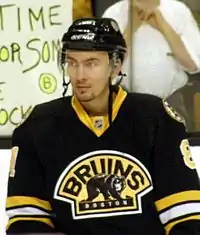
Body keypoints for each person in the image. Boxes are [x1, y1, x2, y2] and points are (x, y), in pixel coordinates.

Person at [6, 18, 200, 235]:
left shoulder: (155, 118)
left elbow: (185, 217)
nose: (80, 76)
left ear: (115, 65)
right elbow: (26, 222)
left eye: (91, 63)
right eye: (72, 62)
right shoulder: (37, 125)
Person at [102, 0, 200, 98]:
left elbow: (193, 66)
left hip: (173, 100)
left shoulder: (179, 10)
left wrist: (162, 25)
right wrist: (130, 28)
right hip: (126, 100)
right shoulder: (113, 13)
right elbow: (106, 71)